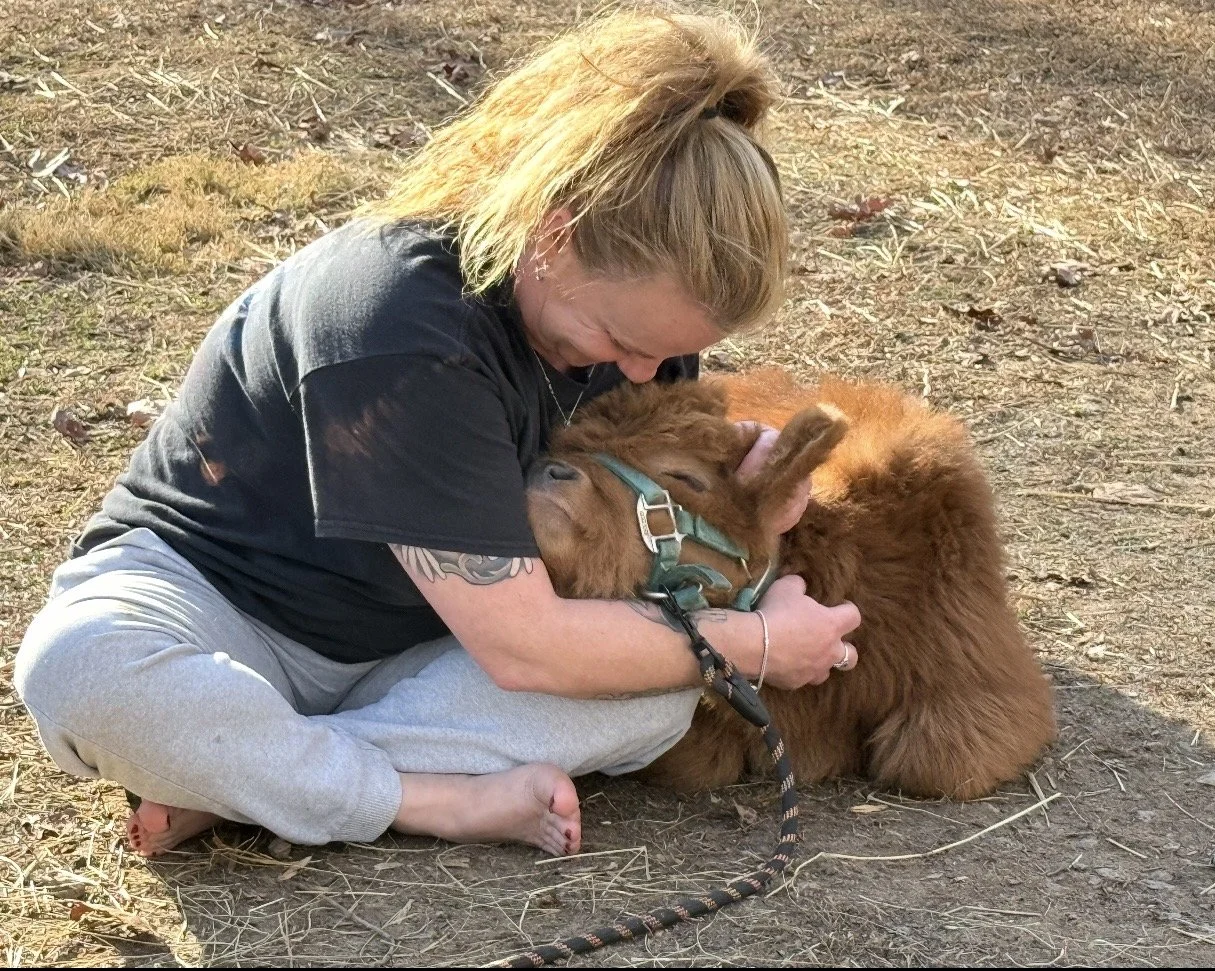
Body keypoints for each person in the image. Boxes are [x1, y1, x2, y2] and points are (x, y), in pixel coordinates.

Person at [14, 9, 861, 860]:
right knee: (82, 671)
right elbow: (527, 647)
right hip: (219, 609)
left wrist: (755, 521)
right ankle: (419, 798)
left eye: (671, 352)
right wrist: (750, 645)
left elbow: (619, 568)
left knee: (652, 702)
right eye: (626, 342)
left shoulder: (637, 342)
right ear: (556, 237)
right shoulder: (399, 319)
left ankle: (251, 778)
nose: (645, 374)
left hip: (421, 654)